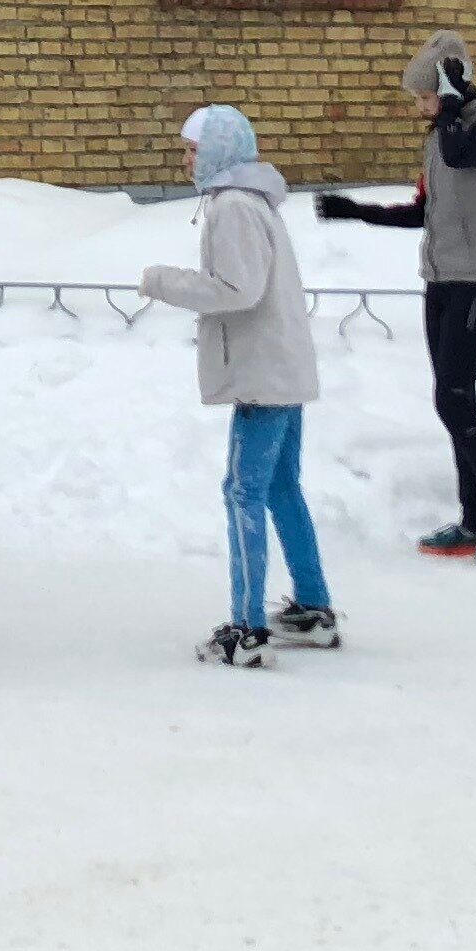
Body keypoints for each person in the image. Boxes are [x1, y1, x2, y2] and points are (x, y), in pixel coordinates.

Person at [318, 29, 476, 564]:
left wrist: (457, 102)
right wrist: (355, 211)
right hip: (440, 281)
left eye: (426, 96)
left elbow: (464, 157)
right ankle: (474, 521)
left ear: (450, 88)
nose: (421, 108)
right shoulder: (442, 139)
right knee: (455, 398)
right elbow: (424, 212)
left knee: (453, 400)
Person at [143, 104, 334, 663]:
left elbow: (236, 288)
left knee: (243, 491)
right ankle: (313, 607)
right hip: (282, 367)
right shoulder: (254, 202)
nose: (185, 162)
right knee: (279, 488)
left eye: (192, 151)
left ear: (219, 152)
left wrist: (163, 282)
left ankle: (246, 629)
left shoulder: (232, 207)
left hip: (261, 373)